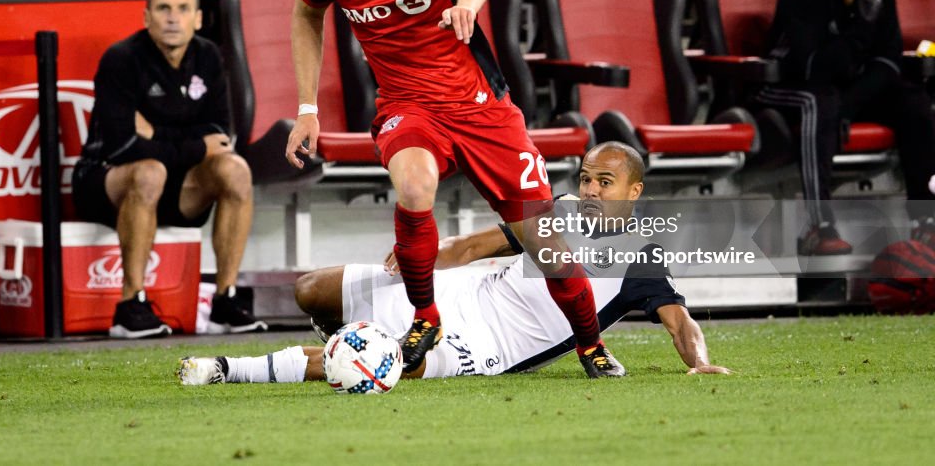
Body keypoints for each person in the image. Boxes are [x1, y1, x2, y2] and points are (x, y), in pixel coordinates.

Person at [284, 0, 611, 378]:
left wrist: (465, 2)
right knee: (413, 186)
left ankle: (591, 344)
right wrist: (306, 108)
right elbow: (304, 17)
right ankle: (425, 317)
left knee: (544, 242)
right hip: (407, 105)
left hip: (480, 106)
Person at [178, 142, 733, 385]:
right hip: (468, 290)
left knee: (393, 363)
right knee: (310, 289)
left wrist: (699, 362)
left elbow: (680, 322)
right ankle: (353, 338)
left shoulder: (642, 259)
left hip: (495, 346)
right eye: (585, 176)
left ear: (634, 192)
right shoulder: (558, 209)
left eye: (603, 182)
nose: (588, 189)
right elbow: (473, 249)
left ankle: (227, 369)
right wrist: (421, 259)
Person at [73, 0, 263, 338]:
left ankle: (226, 299)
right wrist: (193, 146)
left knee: (235, 169)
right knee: (148, 171)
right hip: (103, 182)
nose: (173, 18)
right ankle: (131, 306)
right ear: (146, 17)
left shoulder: (208, 56)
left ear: (198, 18)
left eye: (182, 9)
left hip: (176, 186)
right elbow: (122, 146)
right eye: (163, 9)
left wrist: (157, 133)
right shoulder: (121, 59)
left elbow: (221, 135)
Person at [761, 0, 935, 256]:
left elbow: (887, 63)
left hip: (843, 91)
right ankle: (818, 224)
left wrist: (849, 105)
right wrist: (859, 31)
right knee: (820, 100)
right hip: (783, 86)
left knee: (913, 101)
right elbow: (813, 67)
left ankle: (926, 220)